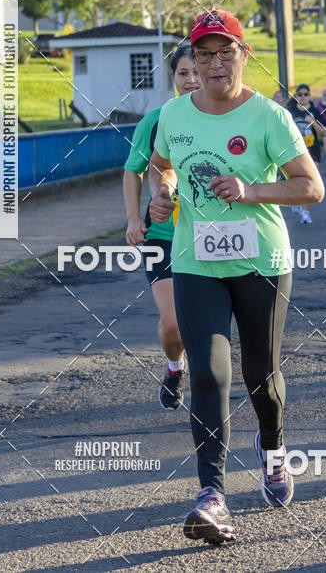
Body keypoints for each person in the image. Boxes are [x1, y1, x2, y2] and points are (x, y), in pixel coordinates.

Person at [148, 9, 324, 545]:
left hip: (261, 264)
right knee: (208, 373)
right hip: (196, 262)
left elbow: (310, 187)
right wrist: (163, 194)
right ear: (193, 63)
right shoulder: (174, 114)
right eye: (204, 55)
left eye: (226, 53)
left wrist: (251, 191)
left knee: (261, 377)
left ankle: (272, 447)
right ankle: (212, 495)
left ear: (244, 56)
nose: (215, 63)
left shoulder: (269, 117)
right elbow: (161, 164)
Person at [123, 44, 200, 410]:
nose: (191, 80)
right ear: (173, 79)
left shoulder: (230, 118)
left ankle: (210, 387)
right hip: (165, 236)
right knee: (173, 326)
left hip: (212, 238)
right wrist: (133, 220)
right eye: (183, 74)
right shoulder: (157, 120)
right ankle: (174, 367)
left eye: (196, 72)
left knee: (207, 322)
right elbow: (134, 170)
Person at [286, 84, 325, 223]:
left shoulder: (314, 111)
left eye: (305, 94)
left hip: (312, 150)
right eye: (300, 94)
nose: (303, 97)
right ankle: (296, 201)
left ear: (309, 96)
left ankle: (306, 212)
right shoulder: (289, 111)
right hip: (295, 151)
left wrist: (313, 122)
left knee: (310, 181)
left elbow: (324, 132)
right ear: (296, 96)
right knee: (294, 179)